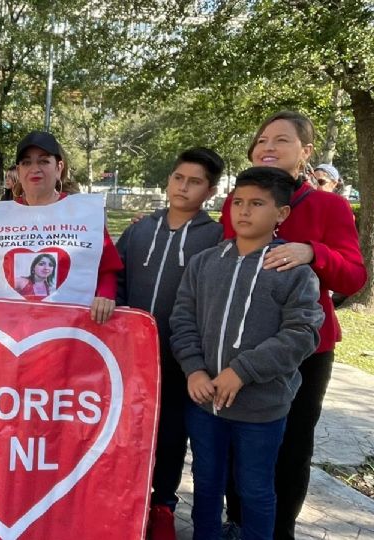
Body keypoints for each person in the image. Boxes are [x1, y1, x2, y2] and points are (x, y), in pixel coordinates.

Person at [219, 111, 366, 540]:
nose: (267, 146)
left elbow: (354, 277)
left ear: (305, 152)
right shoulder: (237, 202)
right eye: (262, 139)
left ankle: (277, 532)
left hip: (304, 352)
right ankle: (239, 527)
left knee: (289, 450)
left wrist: (312, 251)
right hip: (241, 347)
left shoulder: (329, 205)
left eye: (281, 140)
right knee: (236, 446)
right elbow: (222, 254)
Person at [171, 166, 324, 540]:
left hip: (262, 409)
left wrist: (241, 371)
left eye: (257, 203)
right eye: (238, 202)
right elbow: (182, 319)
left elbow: (302, 333)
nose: (244, 211)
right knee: (206, 484)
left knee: (255, 489)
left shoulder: (294, 272)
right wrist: (194, 370)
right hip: (205, 403)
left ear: (281, 214)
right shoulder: (204, 263)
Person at [115, 147, 225, 540]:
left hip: (182, 358)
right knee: (127, 429)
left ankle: (162, 504)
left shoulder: (216, 238)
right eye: (179, 178)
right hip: (129, 355)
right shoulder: (140, 229)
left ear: (209, 191)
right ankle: (124, 500)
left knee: (171, 434)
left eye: (195, 182)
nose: (183, 187)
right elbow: (115, 276)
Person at [0, 130, 123, 324]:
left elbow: (107, 269)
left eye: (44, 161)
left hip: (71, 332)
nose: (34, 168)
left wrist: (105, 296)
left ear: (58, 168)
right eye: (26, 162)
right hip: (11, 330)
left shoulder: (84, 214)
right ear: (19, 171)